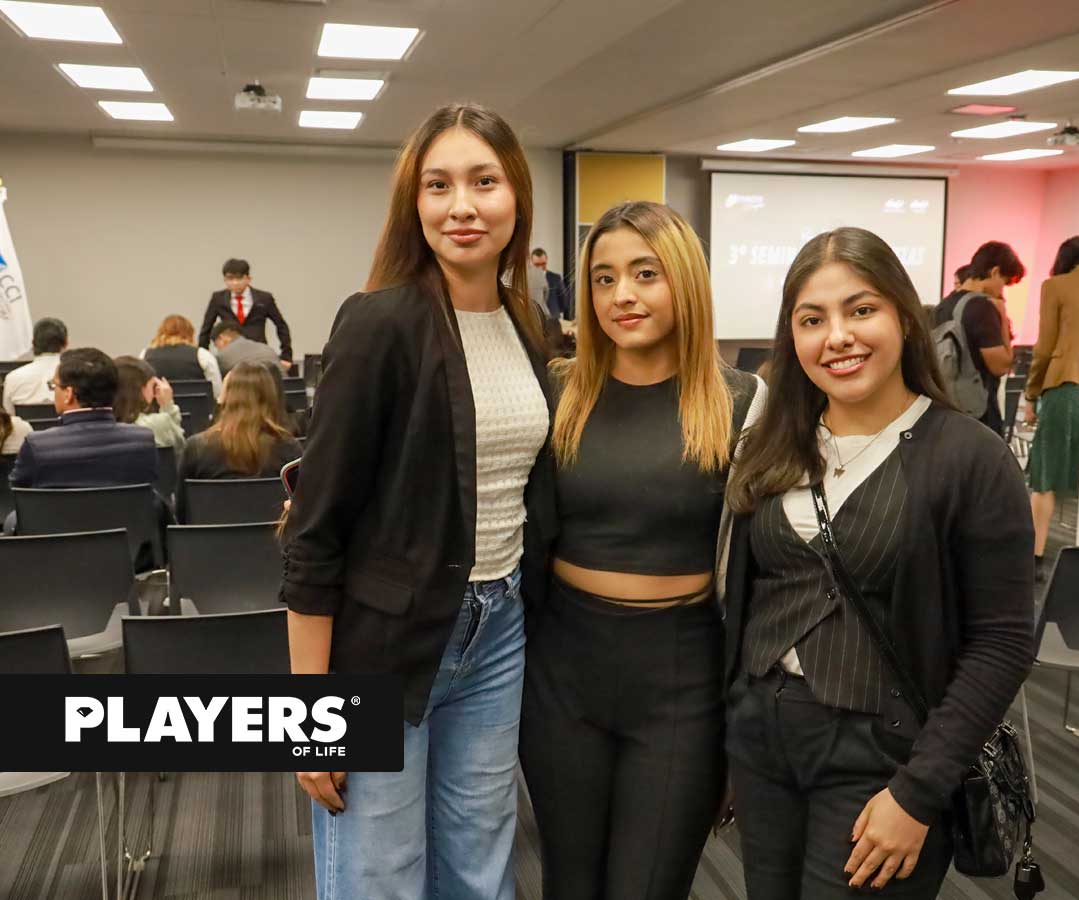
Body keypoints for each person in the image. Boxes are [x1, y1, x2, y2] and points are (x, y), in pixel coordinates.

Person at [280, 102, 554, 900]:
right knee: (381, 874)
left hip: (497, 630)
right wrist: (309, 718)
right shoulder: (379, 323)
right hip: (386, 639)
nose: (461, 206)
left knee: (480, 861)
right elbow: (316, 529)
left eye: (483, 182)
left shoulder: (525, 328)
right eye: (438, 185)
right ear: (414, 203)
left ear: (516, 199)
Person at [721, 227, 1035, 900]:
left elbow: (1002, 643)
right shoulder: (774, 445)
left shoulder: (968, 458)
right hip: (764, 744)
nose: (837, 336)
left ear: (902, 316)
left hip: (883, 757)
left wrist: (919, 794)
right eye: (813, 319)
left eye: (860, 310)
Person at [520, 201, 766, 900]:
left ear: (684, 281)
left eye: (645, 273)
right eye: (603, 279)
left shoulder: (740, 401)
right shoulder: (560, 391)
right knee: (570, 885)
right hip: (563, 674)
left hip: (681, 681)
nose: (621, 295)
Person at [1025, 236, 1079, 581]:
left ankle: (1036, 558)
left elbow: (1044, 346)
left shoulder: (1056, 286)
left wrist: (1030, 394)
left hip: (1064, 389)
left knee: (1045, 478)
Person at [10, 349, 157, 489]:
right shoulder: (143, 440)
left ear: (68, 394)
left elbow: (20, 495)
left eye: (54, 386)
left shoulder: (38, 446)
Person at [933, 242, 1024, 433]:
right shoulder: (981, 307)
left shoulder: (943, 306)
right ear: (995, 272)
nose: (1002, 290)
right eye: (1004, 282)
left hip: (945, 408)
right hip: (978, 414)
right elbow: (1001, 365)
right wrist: (1001, 313)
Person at [197, 258, 294, 368]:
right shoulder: (218, 298)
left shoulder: (264, 298)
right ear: (225, 280)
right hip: (231, 356)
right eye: (230, 279)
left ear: (248, 278)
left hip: (259, 353)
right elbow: (206, 328)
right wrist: (202, 357)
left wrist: (287, 356)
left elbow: (281, 325)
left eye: (239, 278)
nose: (235, 283)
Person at [113, 356, 185, 450]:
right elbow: (181, 447)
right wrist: (168, 406)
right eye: (153, 386)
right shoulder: (158, 423)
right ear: (140, 390)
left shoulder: (101, 427)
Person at [2, 317, 68, 413]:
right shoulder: (77, 376)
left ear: (33, 343)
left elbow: (11, 419)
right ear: (65, 343)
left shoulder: (12, 378)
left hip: (28, 428)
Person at [143, 314, 222, 394]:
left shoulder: (145, 355)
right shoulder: (203, 355)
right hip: (195, 406)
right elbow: (217, 392)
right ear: (190, 333)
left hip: (157, 406)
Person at [210, 321, 284, 375]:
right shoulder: (268, 349)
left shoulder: (222, 357)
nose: (218, 349)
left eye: (216, 345)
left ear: (221, 338)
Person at [532, 247, 570, 319]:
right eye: (537, 265)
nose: (540, 267)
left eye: (543, 264)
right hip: (534, 321)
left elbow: (564, 301)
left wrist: (555, 311)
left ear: (547, 260)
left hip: (553, 319)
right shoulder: (526, 280)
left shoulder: (556, 278)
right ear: (531, 262)